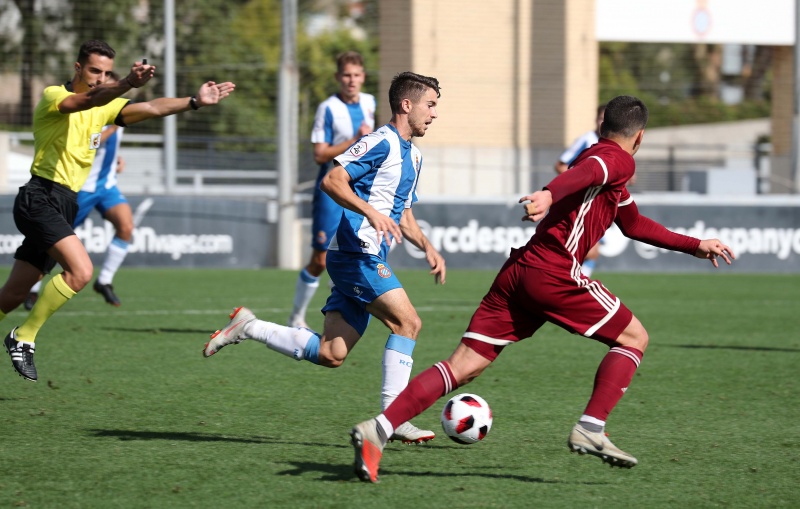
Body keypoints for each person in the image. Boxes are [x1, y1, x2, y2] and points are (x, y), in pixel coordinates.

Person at [349, 95, 736, 483]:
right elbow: (589, 172)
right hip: (554, 271)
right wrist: (550, 193)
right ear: (640, 137)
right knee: (634, 337)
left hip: (519, 272)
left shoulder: (603, 165)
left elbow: (633, 224)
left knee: (462, 366)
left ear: (603, 125)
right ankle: (591, 427)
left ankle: (378, 429)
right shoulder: (616, 160)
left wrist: (694, 245)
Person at [203, 72, 446, 444]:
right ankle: (392, 419)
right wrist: (370, 212)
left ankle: (248, 327)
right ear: (406, 105)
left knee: (332, 353)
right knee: (408, 323)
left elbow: (404, 213)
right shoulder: (380, 142)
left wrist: (427, 246)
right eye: (430, 105)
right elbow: (332, 180)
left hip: (365, 254)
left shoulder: (414, 156)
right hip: (354, 253)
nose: (434, 114)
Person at [1, 39, 235, 382]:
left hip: (65, 203)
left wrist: (195, 101)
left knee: (14, 292)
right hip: (40, 196)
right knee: (80, 272)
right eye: (95, 70)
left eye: (107, 72)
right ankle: (24, 337)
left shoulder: (107, 106)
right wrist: (124, 82)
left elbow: (153, 107)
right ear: (78, 68)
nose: (100, 78)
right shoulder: (55, 95)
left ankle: (21, 332)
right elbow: (87, 99)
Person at [25, 72, 133, 310]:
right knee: (57, 240)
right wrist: (113, 127)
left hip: (106, 185)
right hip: (81, 186)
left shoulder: (117, 109)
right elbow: (92, 141)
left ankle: (104, 281)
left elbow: (110, 144)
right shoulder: (93, 108)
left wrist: (118, 158)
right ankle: (31, 288)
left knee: (126, 226)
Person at [288, 51, 376, 328]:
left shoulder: (370, 103)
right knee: (321, 259)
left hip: (359, 191)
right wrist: (355, 139)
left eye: (357, 75)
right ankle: (296, 317)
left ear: (363, 77)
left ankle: (344, 318)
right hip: (330, 192)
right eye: (347, 75)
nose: (352, 80)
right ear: (338, 77)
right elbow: (320, 154)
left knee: (359, 252)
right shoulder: (327, 108)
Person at [555, 104, 606, 277]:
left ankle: (573, 285)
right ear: (596, 120)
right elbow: (561, 165)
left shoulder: (613, 145)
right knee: (587, 251)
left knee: (592, 252)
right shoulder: (587, 139)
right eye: (602, 119)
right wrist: (580, 181)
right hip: (581, 202)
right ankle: (571, 287)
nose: (604, 123)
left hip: (599, 204)